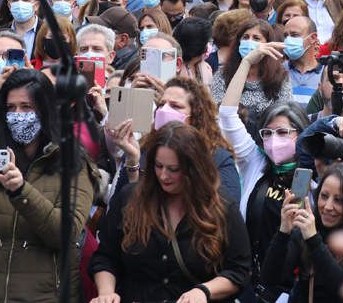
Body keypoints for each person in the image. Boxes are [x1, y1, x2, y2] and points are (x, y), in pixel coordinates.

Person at [0, 69, 98, 301]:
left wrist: (21, 191)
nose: (18, 115)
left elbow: (64, 234)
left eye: (27, 107)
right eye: (11, 108)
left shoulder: (73, 162)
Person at [90, 123, 251, 303]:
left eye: (173, 169)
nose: (164, 176)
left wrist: (205, 291)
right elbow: (105, 257)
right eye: (158, 166)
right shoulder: (130, 198)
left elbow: (239, 271)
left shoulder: (222, 207)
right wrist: (106, 293)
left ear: (194, 169)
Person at [218, 42, 309, 298]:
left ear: (301, 134)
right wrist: (246, 63)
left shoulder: (312, 173)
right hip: (249, 282)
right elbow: (227, 114)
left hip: (292, 286)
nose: (273, 140)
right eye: (267, 133)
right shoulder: (255, 162)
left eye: (282, 133)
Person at [260, 163, 343, 303]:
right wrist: (283, 231)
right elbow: (269, 278)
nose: (328, 206)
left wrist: (314, 240)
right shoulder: (306, 230)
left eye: (339, 200)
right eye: (324, 196)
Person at [210, 19, 292, 120]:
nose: (249, 42)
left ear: (268, 44)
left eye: (256, 38)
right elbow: (217, 112)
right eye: (245, 37)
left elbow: (285, 113)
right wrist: (246, 62)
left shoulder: (280, 77)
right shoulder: (222, 74)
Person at [282, 15, 324, 107]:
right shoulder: (279, 71)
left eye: (294, 35)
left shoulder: (326, 74)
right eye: (285, 36)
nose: (288, 40)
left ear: (313, 38)